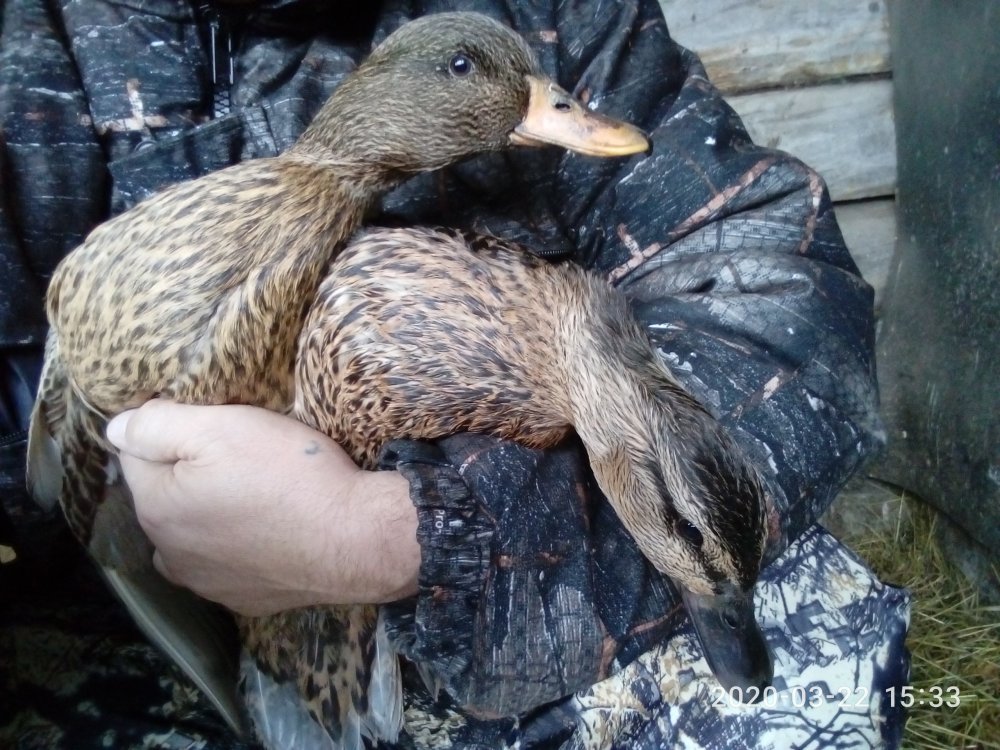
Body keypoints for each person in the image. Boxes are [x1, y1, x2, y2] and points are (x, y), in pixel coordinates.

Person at [0, 1, 909, 748]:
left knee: (808, 686)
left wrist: (399, 536)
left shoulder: (556, 18)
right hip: (130, 631)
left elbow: (771, 277)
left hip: (511, 584)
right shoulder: (36, 58)